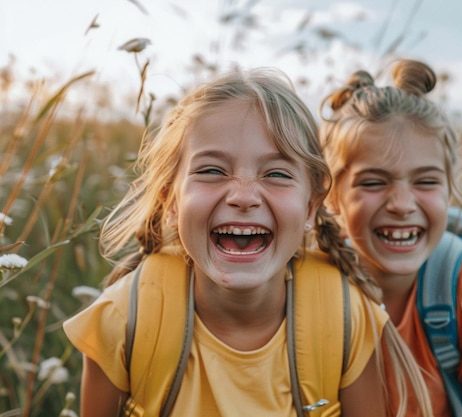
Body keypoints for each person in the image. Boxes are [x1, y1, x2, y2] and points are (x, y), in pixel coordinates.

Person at [63, 67, 434, 417]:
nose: (244, 196)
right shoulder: (123, 320)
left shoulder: (346, 318)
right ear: (170, 201)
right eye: (211, 170)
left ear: (311, 206)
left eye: (276, 173)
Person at [319, 59, 462, 417]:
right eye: (373, 182)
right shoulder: (312, 289)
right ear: (332, 195)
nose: (401, 205)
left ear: (448, 190)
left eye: (426, 181)